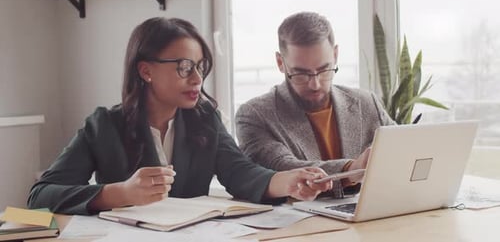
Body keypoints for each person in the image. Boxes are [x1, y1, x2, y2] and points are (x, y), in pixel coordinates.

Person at [27, 17, 332, 215]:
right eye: (185, 67)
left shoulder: (204, 119)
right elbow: (39, 198)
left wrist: (289, 182)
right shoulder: (103, 125)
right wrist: (119, 193)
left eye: (200, 67)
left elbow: (242, 174)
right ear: (146, 70)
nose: (197, 78)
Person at [235, 12, 395, 198]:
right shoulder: (254, 115)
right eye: (301, 73)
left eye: (324, 70)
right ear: (281, 63)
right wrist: (351, 169)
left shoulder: (366, 103)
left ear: (335, 55)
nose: (315, 84)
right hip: (299, 223)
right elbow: (285, 167)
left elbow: (401, 149)